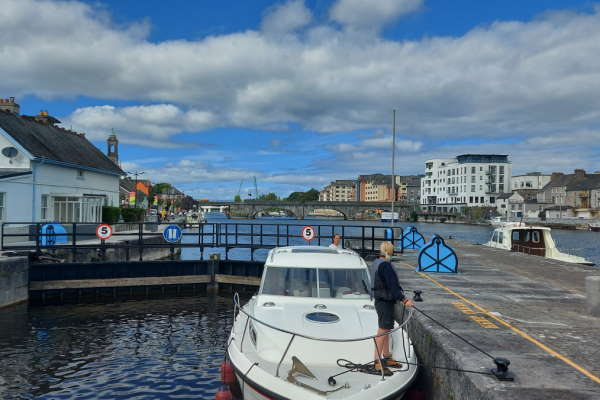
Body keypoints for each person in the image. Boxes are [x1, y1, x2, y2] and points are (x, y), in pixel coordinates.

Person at [372, 241, 413, 373]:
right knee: (383, 330)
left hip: (380, 300)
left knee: (387, 329)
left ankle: (387, 356)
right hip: (384, 302)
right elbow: (393, 286)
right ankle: (377, 361)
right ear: (390, 251)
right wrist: (404, 299)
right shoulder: (386, 266)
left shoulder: (376, 262)